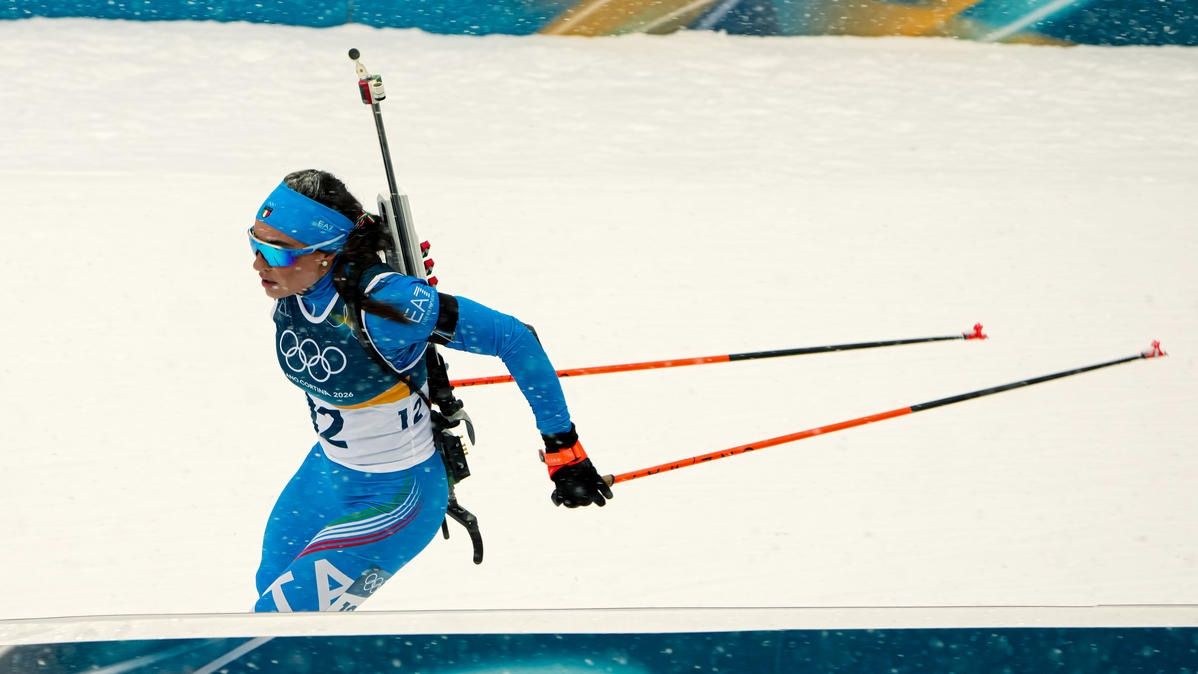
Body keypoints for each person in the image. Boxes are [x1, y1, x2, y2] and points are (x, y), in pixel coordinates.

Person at [248, 169, 612, 612]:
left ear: (326, 253)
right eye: (254, 244)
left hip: (397, 498)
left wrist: (563, 448)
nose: (258, 264)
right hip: (328, 475)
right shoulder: (295, 286)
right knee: (271, 602)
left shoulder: (387, 304)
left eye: (276, 251)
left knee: (279, 620)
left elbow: (515, 338)